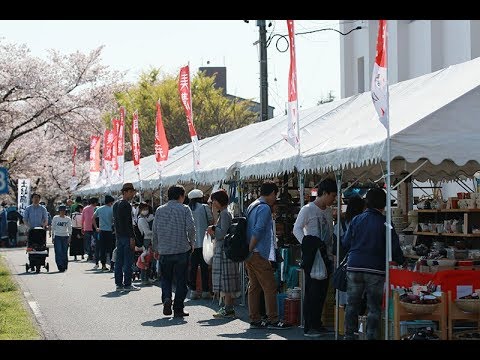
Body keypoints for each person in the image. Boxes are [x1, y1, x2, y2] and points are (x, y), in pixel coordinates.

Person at [341, 188, 405, 340]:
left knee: (352, 304)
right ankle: (371, 336)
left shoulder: (356, 220)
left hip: (355, 266)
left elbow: (345, 242)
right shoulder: (386, 224)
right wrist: (402, 261)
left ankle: (349, 335)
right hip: (375, 270)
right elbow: (394, 247)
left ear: (367, 203)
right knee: (373, 307)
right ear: (384, 205)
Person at [293, 178, 337, 337]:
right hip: (312, 257)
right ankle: (309, 326)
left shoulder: (328, 211)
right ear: (324, 193)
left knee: (322, 292)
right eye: (332, 195)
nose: (334, 199)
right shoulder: (307, 209)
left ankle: (317, 323)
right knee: (312, 291)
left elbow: (330, 234)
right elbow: (296, 229)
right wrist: (307, 244)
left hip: (325, 256)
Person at [245, 180, 290, 329]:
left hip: (250, 254)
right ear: (271, 193)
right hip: (258, 253)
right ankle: (273, 319)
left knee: (254, 286)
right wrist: (251, 248)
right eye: (275, 195)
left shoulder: (252, 205)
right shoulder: (264, 208)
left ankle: (255, 318)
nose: (275, 198)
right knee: (270, 286)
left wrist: (248, 251)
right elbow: (258, 230)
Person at [152, 185, 195, 318]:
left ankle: (166, 298)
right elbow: (191, 228)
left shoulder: (159, 210)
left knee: (166, 278)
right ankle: (178, 308)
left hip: (165, 250)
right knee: (181, 280)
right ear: (181, 196)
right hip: (182, 249)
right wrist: (191, 243)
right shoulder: (185, 209)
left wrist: (155, 247)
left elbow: (155, 231)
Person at [206, 189, 240, 318]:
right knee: (226, 280)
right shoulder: (225, 212)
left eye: (214, 200)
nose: (212, 203)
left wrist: (213, 229)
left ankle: (228, 308)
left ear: (218, 201)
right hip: (225, 250)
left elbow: (222, 234)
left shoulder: (225, 214)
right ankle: (227, 307)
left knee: (225, 280)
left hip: (224, 250)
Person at [333, 196, 366, 309]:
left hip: (344, 265)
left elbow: (335, 249)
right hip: (360, 264)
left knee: (345, 298)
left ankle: (344, 323)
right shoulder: (363, 225)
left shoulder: (339, 226)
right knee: (358, 297)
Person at [112, 183, 140, 292]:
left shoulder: (115, 204)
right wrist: (132, 238)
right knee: (128, 261)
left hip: (119, 236)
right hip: (127, 236)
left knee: (119, 261)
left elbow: (116, 222)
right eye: (132, 192)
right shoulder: (126, 205)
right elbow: (128, 224)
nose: (133, 194)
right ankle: (128, 283)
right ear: (126, 192)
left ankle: (118, 284)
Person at [187, 189, 214, 300]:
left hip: (191, 243)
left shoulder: (187, 209)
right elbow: (211, 221)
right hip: (204, 242)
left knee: (193, 267)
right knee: (204, 267)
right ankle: (205, 291)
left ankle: (193, 291)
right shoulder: (204, 207)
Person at [93, 195, 115, 271]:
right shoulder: (112, 209)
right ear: (110, 202)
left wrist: (96, 228)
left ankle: (103, 265)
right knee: (111, 249)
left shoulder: (99, 209)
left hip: (101, 231)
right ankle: (112, 265)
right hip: (110, 231)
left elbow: (93, 218)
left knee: (102, 249)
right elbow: (114, 220)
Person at [137, 202, 154, 285]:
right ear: (140, 210)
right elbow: (146, 232)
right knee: (146, 260)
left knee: (147, 259)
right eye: (144, 209)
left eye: (147, 209)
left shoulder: (143, 219)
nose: (145, 211)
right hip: (147, 240)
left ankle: (146, 278)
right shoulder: (142, 220)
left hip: (147, 240)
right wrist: (155, 232)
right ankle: (144, 279)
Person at [51, 205, 72, 272]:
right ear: (59, 211)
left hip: (65, 236)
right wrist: (52, 236)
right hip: (57, 236)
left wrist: (70, 237)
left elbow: (70, 228)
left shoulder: (68, 219)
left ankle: (64, 264)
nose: (62, 212)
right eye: (61, 211)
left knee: (64, 252)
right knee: (58, 251)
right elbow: (53, 227)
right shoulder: (55, 218)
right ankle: (60, 265)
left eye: (63, 210)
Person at [82, 197, 98, 262]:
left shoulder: (85, 208)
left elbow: (83, 219)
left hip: (86, 227)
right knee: (95, 242)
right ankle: (94, 254)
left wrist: (82, 227)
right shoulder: (97, 208)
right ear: (95, 202)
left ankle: (90, 255)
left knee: (87, 242)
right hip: (95, 227)